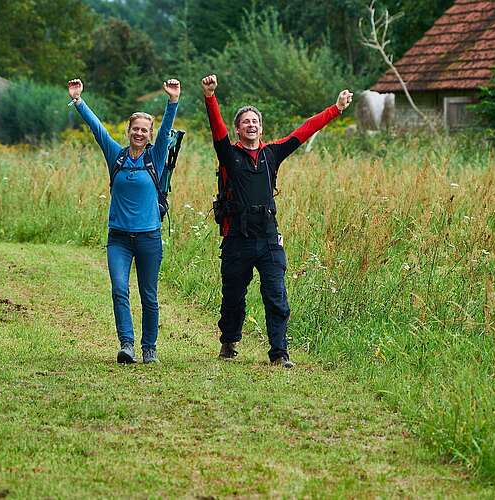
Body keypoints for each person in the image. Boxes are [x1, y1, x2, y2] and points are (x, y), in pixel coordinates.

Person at [201, 74, 352, 368]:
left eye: (255, 121)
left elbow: (305, 130)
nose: (251, 125)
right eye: (245, 122)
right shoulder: (228, 154)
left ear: (261, 127)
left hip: (268, 238)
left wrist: (335, 109)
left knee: (276, 296)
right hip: (237, 239)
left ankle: (279, 353)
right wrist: (210, 97)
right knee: (233, 296)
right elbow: (216, 128)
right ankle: (229, 340)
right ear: (237, 129)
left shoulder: (273, 153)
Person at [68, 77, 180, 364]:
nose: (139, 133)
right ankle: (127, 344)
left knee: (149, 296)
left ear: (150, 134)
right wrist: (79, 101)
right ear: (128, 131)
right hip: (118, 238)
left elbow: (167, 128)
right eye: (135, 129)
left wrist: (172, 101)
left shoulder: (155, 156)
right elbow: (97, 129)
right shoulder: (115, 155)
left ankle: (149, 347)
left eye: (145, 130)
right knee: (119, 289)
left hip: (148, 239)